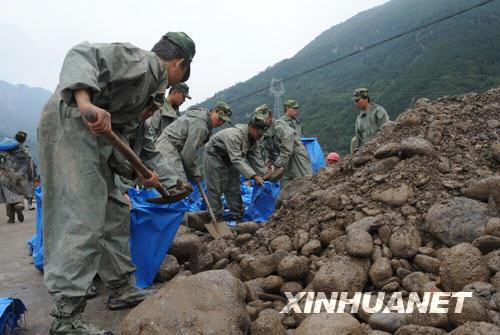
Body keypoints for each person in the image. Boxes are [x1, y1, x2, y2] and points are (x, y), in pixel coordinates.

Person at [38, 31, 196, 335]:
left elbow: (135, 144)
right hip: (72, 124)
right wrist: (86, 103)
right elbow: (80, 52)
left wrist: (151, 176)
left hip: (97, 141)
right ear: (179, 63)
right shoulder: (142, 62)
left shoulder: (148, 92)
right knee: (82, 216)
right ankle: (66, 317)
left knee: (114, 211)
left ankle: (122, 287)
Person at [203, 116, 268, 222]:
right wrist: (254, 176)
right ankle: (215, 218)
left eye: (262, 134)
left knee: (233, 187)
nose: (260, 136)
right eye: (258, 133)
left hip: (231, 158)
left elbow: (257, 161)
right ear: (252, 127)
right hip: (215, 155)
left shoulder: (253, 142)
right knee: (216, 187)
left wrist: (266, 175)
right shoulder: (234, 135)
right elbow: (237, 160)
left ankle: (239, 217)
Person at [155, 101, 231, 183]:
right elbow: (188, 155)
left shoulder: (203, 117)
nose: (220, 122)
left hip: (168, 147)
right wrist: (196, 174)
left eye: (223, 121)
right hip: (168, 148)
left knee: (177, 184)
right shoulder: (201, 126)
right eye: (219, 118)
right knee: (179, 184)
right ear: (213, 111)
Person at [260, 105, 313, 188]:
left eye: (264, 118)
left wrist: (277, 165)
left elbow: (287, 148)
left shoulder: (279, 126)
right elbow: (270, 151)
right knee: (286, 189)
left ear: (270, 116)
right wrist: (269, 163)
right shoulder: (265, 132)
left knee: (305, 185)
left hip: (296, 157)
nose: (263, 122)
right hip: (284, 161)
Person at [0, 131, 33, 223]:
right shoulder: (25, 150)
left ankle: (11, 218)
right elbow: (29, 166)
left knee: (8, 198)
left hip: (7, 175)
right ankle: (19, 206)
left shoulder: (7, 149)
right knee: (19, 195)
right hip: (20, 177)